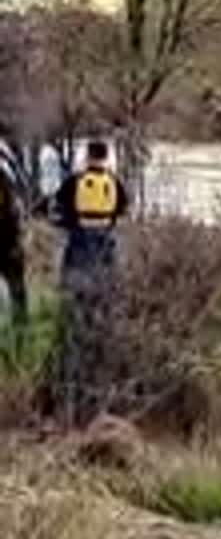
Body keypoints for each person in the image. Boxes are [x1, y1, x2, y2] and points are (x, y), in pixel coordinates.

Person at [51, 140, 128, 423]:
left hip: (79, 247)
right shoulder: (115, 184)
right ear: (106, 158)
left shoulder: (74, 182)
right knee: (104, 303)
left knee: (73, 305)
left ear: (86, 157)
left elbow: (57, 212)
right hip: (106, 248)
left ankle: (71, 369)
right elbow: (121, 211)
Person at [0, 138, 28, 344]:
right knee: (16, 286)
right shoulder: (6, 156)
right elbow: (19, 201)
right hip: (9, 236)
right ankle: (21, 331)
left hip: (9, 234)